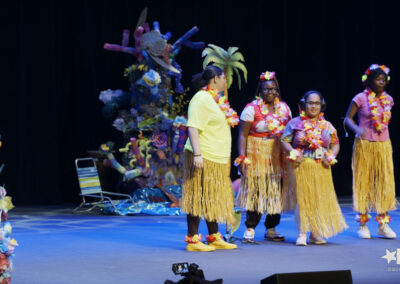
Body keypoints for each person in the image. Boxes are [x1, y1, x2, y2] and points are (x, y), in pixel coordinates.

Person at [181, 65, 238, 251]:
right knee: (197, 196)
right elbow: (193, 127)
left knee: (212, 198)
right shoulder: (201, 98)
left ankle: (214, 237)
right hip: (203, 156)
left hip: (217, 159)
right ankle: (193, 240)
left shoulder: (216, 99)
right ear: (215, 79)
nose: (225, 81)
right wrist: (197, 154)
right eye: (224, 78)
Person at [281, 91, 348, 246]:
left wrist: (331, 156)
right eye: (310, 103)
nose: (313, 106)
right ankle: (302, 233)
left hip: (321, 168)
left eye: (317, 103)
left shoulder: (327, 125)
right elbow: (284, 140)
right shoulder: (295, 123)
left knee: (319, 200)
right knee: (303, 200)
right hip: (302, 166)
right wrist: (292, 151)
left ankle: (316, 233)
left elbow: (335, 143)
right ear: (304, 104)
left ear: (321, 105)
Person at [236, 71, 292, 243]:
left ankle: (271, 228)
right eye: (267, 90)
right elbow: (242, 135)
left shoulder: (283, 108)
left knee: (276, 191)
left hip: (277, 155)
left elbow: (290, 132)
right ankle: (250, 228)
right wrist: (242, 157)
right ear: (260, 90)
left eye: (273, 90)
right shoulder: (251, 109)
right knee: (257, 191)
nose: (270, 93)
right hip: (257, 154)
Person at [344, 64, 396, 239]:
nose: (381, 82)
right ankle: (363, 224)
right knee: (363, 182)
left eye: (384, 79)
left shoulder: (389, 100)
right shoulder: (360, 98)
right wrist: (357, 129)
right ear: (369, 80)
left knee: (384, 183)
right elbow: (347, 118)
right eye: (377, 79)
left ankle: (383, 224)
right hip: (364, 145)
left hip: (383, 145)